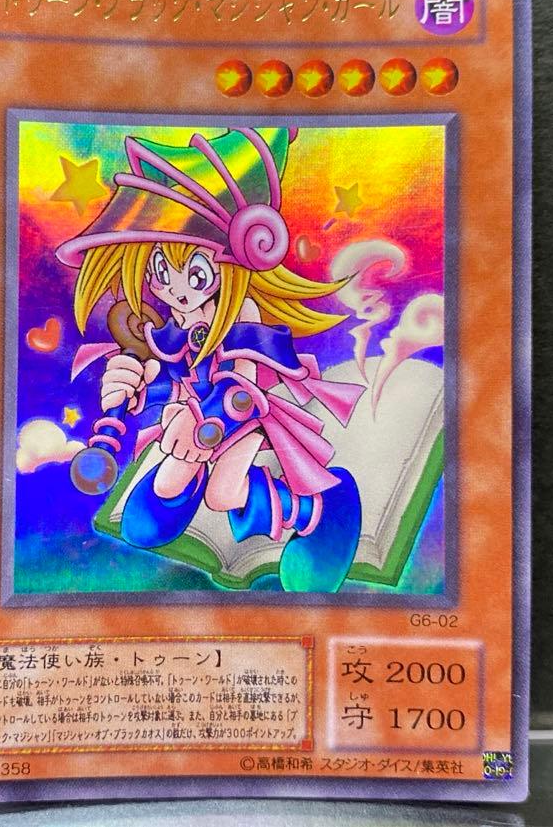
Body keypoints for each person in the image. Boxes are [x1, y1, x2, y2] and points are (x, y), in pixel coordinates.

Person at [56, 127, 364, 592]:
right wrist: (134, 385)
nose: (175, 288)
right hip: (192, 419)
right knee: (160, 499)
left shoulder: (242, 315)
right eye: (160, 270)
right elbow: (171, 369)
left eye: (196, 274)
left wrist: (201, 423)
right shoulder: (176, 322)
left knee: (223, 495)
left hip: (239, 419)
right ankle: (187, 486)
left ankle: (319, 510)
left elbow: (243, 392)